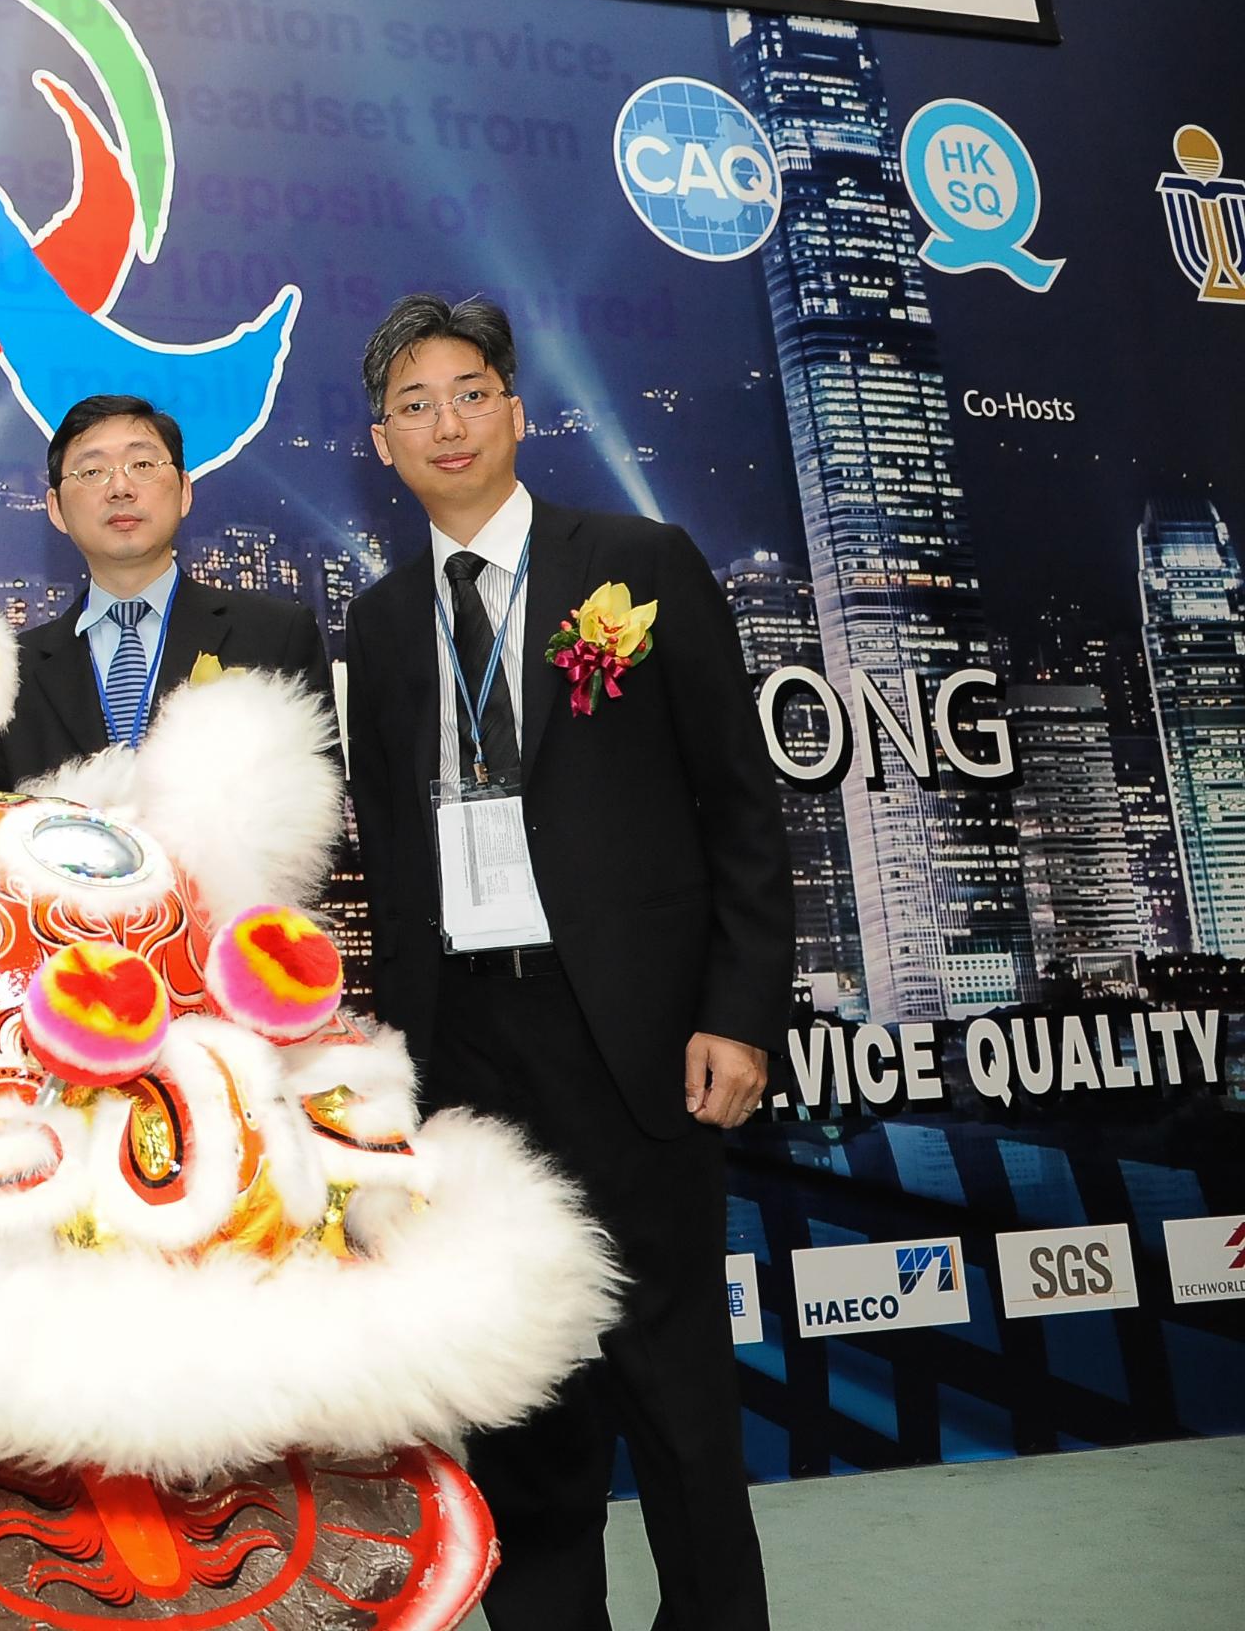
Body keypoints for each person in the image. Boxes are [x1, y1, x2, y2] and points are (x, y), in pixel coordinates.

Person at [338, 294, 788, 1631]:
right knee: (520, 1394)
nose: (447, 423)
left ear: (516, 411)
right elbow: (393, 859)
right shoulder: (375, 622)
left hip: (637, 1038)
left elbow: (739, 809)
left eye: (470, 392)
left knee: (678, 1395)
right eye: (415, 405)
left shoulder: (637, 567)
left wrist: (739, 1013)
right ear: (383, 442)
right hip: (466, 1049)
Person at [0, 392, 331, 791]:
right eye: (93, 472)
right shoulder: (10, 675)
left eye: (143, 465)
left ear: (184, 491)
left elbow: (316, 822)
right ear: (56, 509)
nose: (120, 488)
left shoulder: (276, 636)